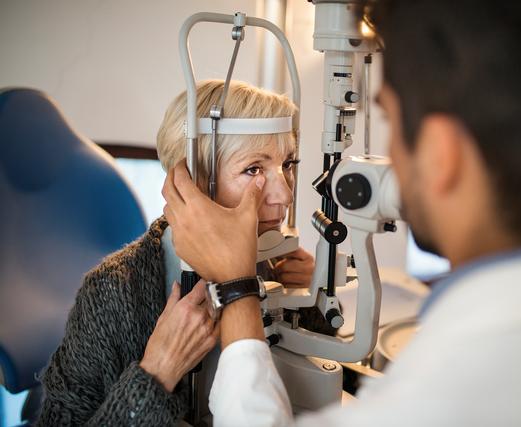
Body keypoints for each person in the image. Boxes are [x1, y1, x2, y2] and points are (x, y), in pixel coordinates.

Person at [162, 1, 521, 426]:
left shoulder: (449, 396)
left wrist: (238, 291)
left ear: (441, 155)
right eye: (252, 169)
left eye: (389, 119)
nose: (282, 193)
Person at [36, 79, 325, 426]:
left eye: (288, 164)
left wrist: (312, 302)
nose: (285, 195)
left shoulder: (276, 263)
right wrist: (157, 372)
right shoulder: (111, 293)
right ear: (190, 182)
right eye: (253, 169)